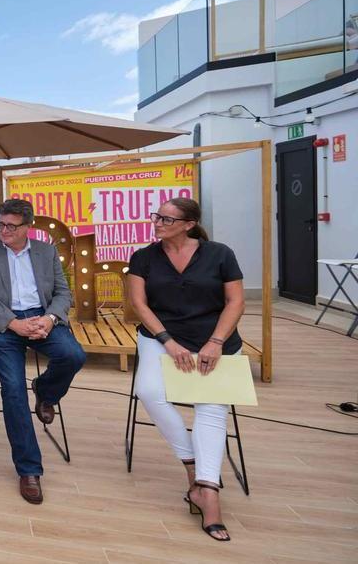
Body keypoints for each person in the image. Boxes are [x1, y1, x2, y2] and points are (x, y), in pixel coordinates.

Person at [127, 197, 244, 543]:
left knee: (211, 406)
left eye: (166, 218)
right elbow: (139, 304)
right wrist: (168, 341)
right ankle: (193, 463)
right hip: (160, 337)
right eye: (156, 216)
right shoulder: (144, 256)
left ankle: (208, 492)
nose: (157, 222)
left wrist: (215, 342)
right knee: (149, 390)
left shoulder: (220, 253)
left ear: (189, 224)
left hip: (214, 339)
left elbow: (235, 301)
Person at [0, 199, 86, 505]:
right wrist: (13, 323)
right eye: (1, 224)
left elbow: (63, 293)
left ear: (27, 227)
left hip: (41, 318)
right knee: (14, 390)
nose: (4, 231)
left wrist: (49, 319)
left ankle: (45, 391)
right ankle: (29, 469)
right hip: (2, 323)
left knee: (73, 356)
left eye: (11, 226)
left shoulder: (46, 252)